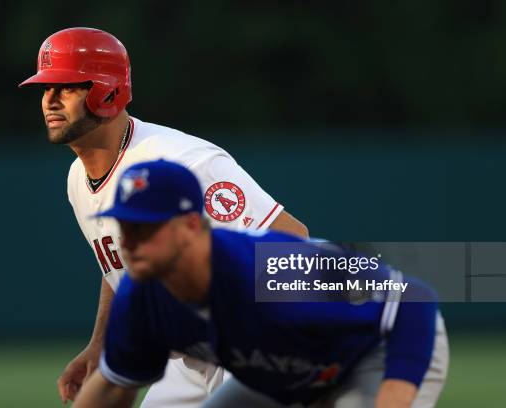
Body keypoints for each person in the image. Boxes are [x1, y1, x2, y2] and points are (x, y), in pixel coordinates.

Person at [18, 27, 309, 406]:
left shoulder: (182, 162)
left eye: (67, 87)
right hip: (189, 355)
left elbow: (291, 239)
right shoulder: (77, 177)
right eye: (46, 88)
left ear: (108, 91)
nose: (50, 100)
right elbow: (121, 265)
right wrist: (100, 345)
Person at [72, 159, 449, 408]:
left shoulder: (269, 269)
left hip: (372, 354)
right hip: (284, 372)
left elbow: (413, 299)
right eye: (125, 225)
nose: (129, 241)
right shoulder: (143, 293)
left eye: (145, 227)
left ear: (190, 227)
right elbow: (114, 385)